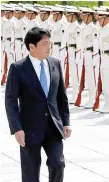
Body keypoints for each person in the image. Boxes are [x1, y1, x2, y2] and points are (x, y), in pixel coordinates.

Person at [5, 26, 71, 182]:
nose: (50, 46)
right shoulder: (18, 68)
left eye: (50, 42)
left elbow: (61, 96)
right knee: (31, 173)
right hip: (29, 129)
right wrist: (17, 128)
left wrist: (66, 122)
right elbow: (11, 101)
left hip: (53, 127)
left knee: (58, 164)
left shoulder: (55, 63)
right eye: (45, 43)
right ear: (32, 47)